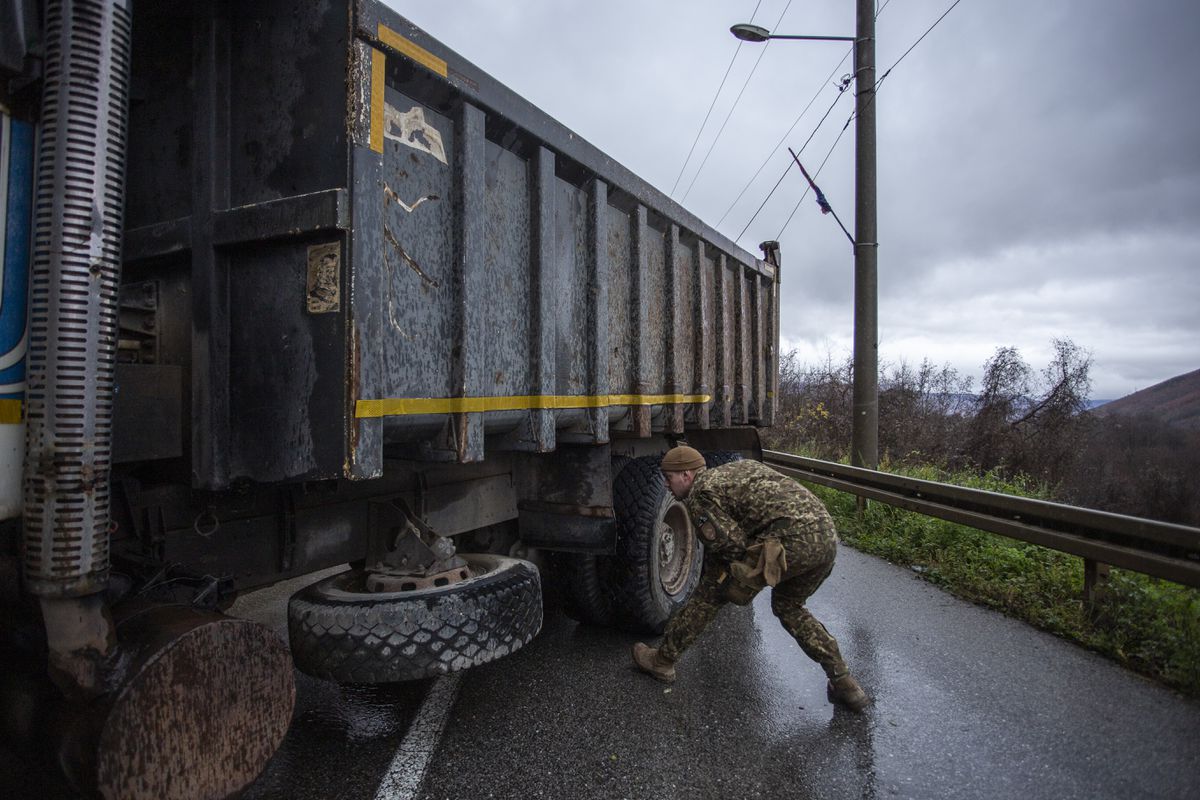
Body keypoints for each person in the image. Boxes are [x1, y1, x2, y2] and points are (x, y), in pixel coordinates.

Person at [631, 445, 870, 712]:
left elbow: (731, 545)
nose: (666, 484)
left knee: (709, 595)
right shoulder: (735, 472)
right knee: (789, 606)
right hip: (826, 539)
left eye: (669, 477)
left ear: (686, 475)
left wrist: (725, 581)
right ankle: (844, 682)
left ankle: (662, 661)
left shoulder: (700, 494)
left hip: (791, 543)